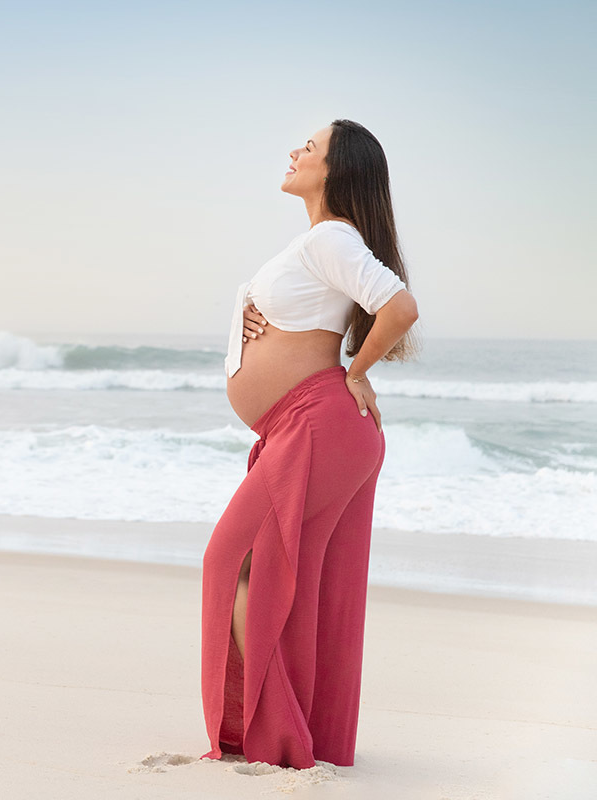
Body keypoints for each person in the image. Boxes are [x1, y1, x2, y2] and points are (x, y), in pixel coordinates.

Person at [199, 119, 420, 769]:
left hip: (316, 423)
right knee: (288, 584)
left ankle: (277, 739)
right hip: (308, 427)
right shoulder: (320, 245)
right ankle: (295, 740)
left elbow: (399, 307)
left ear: (336, 170)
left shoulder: (331, 237)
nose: (294, 152)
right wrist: (242, 311)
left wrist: (356, 373)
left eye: (310, 147)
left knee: (230, 563)